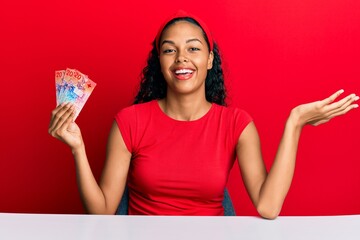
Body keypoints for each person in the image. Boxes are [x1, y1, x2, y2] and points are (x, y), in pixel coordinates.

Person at [48, 11, 358, 218]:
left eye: (193, 49)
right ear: (159, 61)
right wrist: (78, 149)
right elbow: (101, 212)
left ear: (210, 60)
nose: (181, 57)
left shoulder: (237, 124)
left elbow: (268, 206)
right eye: (169, 50)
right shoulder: (130, 121)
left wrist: (295, 123)